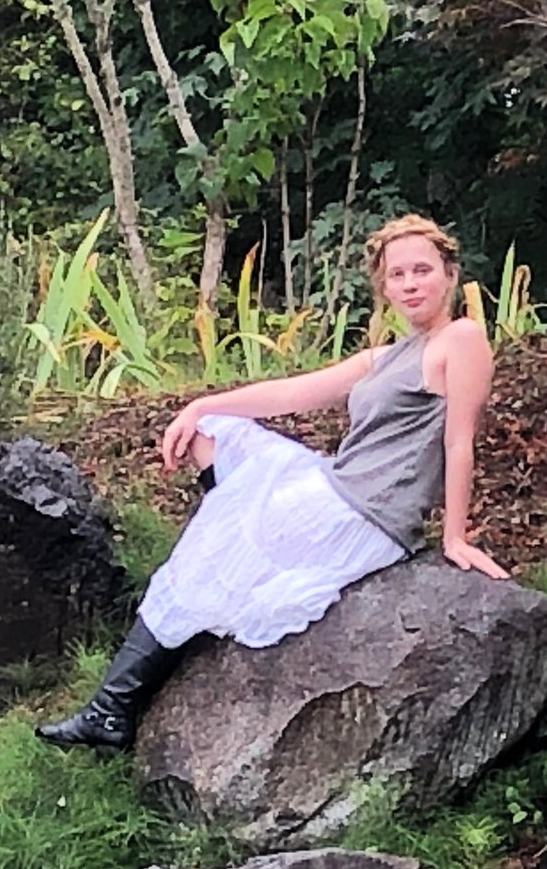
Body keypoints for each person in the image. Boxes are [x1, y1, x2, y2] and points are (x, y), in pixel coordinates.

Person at [34, 213, 510, 751]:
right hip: (337, 484)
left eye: (422, 270)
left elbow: (458, 441)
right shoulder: (386, 357)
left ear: (450, 274)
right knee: (214, 431)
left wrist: (454, 537)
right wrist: (200, 405)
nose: (410, 284)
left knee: (216, 545)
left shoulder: (462, 338)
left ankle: (110, 709)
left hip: (365, 511)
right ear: (384, 287)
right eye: (397, 275)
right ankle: (236, 554)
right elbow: (292, 393)